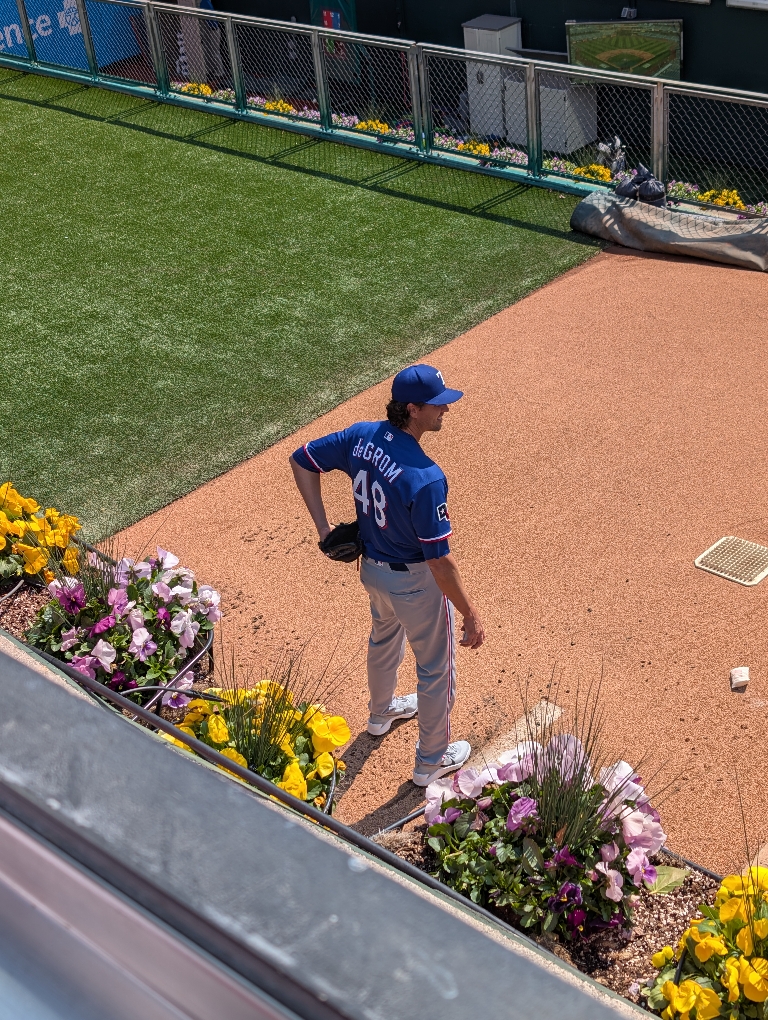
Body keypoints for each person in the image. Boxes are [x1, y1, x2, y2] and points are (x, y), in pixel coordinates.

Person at [289, 364, 485, 786]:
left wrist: (324, 529)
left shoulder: (361, 436)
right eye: (437, 406)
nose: (445, 411)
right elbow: (439, 562)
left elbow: (302, 459)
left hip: (374, 574)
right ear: (412, 409)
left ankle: (380, 714)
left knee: (383, 638)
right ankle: (431, 760)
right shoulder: (426, 477)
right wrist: (469, 611)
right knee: (434, 668)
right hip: (415, 583)